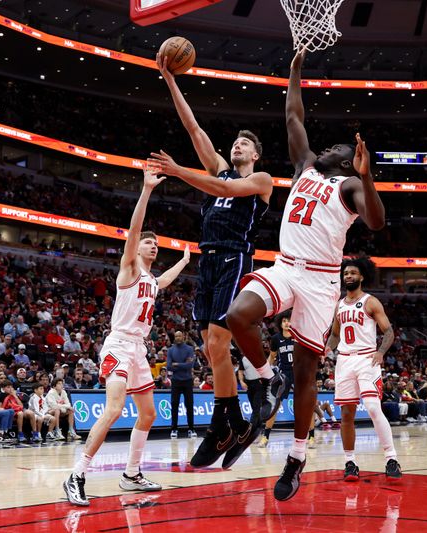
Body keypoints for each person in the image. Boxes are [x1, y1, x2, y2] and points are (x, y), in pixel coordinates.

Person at [224, 49, 385, 501]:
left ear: (346, 162)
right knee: (237, 315)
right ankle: (264, 375)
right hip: (285, 266)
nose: (330, 146)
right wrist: (294, 70)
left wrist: (367, 175)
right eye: (330, 146)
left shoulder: (350, 185)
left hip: (320, 281)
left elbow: (376, 222)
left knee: (307, 377)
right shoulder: (305, 167)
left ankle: (296, 457)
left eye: (337, 148)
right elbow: (294, 116)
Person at [150, 53, 278, 471]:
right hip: (208, 260)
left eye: (246, 143)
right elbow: (192, 126)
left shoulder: (260, 181)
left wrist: (177, 170)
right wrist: (168, 78)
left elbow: (211, 182)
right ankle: (233, 423)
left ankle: (226, 423)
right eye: (235, 142)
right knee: (210, 346)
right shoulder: (220, 169)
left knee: (219, 342)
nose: (237, 145)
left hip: (236, 259)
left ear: (256, 155)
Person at [64, 168, 190, 507]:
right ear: (138, 249)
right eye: (149, 242)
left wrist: (185, 260)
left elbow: (163, 282)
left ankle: (131, 474)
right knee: (116, 409)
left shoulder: (150, 279)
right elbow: (133, 231)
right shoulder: (130, 269)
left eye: (155, 243)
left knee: (148, 414)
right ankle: (76, 474)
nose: (152, 245)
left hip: (138, 350)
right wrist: (147, 190)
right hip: (119, 344)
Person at [325, 259, 401, 484]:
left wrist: (380, 352)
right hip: (344, 362)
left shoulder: (371, 302)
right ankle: (350, 462)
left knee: (372, 407)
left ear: (362, 276)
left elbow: (388, 332)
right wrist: (327, 348)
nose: (348, 276)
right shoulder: (339, 305)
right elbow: (336, 334)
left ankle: (391, 459)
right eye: (346, 273)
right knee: (346, 414)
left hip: (367, 359)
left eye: (353, 273)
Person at [258, 312, 295, 447]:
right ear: (280, 323)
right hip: (283, 374)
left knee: (307, 405)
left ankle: (311, 436)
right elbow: (272, 357)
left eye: (289, 320)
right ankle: (265, 436)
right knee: (275, 406)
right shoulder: (275, 338)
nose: (286, 323)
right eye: (284, 320)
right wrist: (266, 373)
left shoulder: (298, 338)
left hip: (298, 373)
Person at [168, 330, 196, 439]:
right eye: (176, 336)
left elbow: (190, 365)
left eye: (179, 335)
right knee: (174, 405)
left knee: (189, 405)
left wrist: (177, 364)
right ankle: (174, 429)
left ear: (183, 336)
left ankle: (191, 429)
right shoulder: (171, 350)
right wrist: (183, 364)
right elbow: (169, 366)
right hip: (176, 381)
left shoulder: (189, 349)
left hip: (188, 380)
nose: (178, 337)